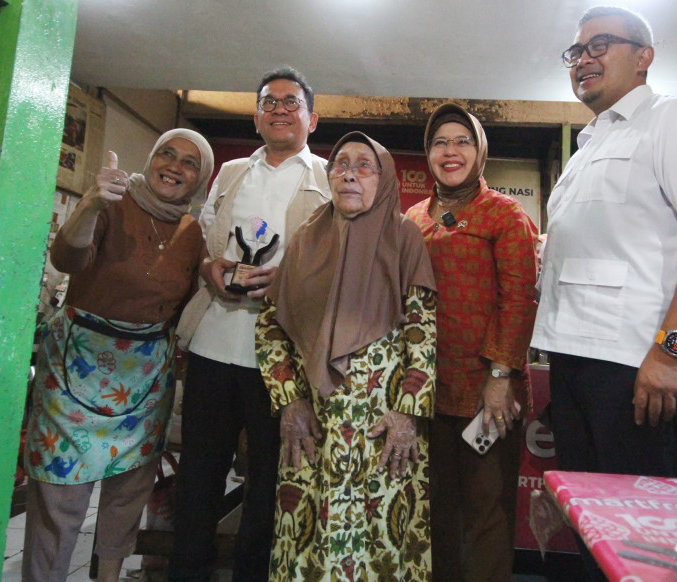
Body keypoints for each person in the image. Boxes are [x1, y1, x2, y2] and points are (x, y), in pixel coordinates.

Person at [530, 5, 677, 485]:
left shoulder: (674, 116)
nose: (583, 59)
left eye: (600, 45)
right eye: (575, 52)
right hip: (574, 360)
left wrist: (672, 351)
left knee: (640, 520)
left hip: (639, 366)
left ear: (643, 57)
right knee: (589, 517)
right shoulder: (587, 147)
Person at [22, 129, 215, 582]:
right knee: (60, 491)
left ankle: (108, 575)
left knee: (129, 490)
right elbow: (68, 258)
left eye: (189, 163)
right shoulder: (111, 203)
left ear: (201, 179)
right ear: (151, 159)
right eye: (167, 154)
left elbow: (186, 303)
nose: (174, 166)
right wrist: (90, 204)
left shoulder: (192, 232)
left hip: (145, 376)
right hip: (77, 364)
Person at [168, 66, 330, 582]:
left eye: (291, 102)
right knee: (198, 476)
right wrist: (208, 269)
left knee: (269, 483)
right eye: (269, 102)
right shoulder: (232, 171)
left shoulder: (329, 177)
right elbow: (204, 243)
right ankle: (188, 573)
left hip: (283, 360)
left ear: (312, 118)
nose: (279, 110)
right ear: (256, 116)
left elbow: (340, 264)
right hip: (213, 345)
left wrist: (291, 280)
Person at [256, 132, 438, 581]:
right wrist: (290, 402)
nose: (349, 174)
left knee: (381, 543)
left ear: (384, 178)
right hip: (312, 424)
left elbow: (422, 333)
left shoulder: (404, 236)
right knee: (309, 540)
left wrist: (407, 415)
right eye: (340, 164)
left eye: (363, 166)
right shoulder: (306, 238)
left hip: (383, 429)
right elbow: (270, 328)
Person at [405, 103, 538, 582]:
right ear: (428, 153)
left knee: (487, 512)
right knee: (434, 509)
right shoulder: (413, 217)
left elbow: (519, 300)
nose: (451, 151)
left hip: (487, 391)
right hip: (425, 390)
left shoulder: (504, 213)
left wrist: (500, 376)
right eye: (440, 142)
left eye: (462, 141)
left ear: (480, 150)